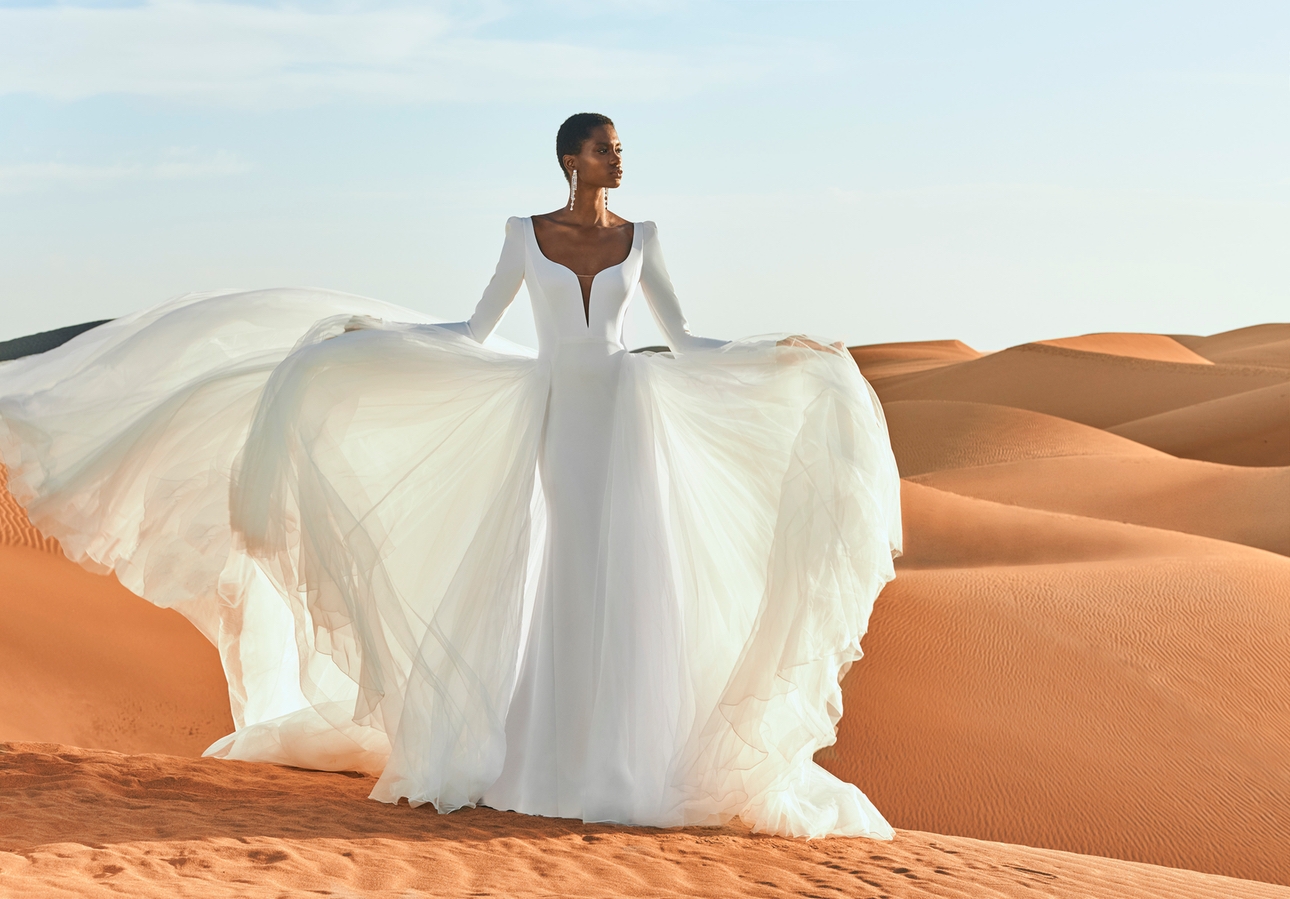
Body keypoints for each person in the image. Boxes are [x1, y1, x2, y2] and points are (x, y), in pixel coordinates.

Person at [0, 113, 902, 839]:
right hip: (553, 413)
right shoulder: (522, 233)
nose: (620, 159)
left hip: (629, 419)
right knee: (561, 574)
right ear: (570, 160)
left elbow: (690, 340)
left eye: (623, 148)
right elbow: (473, 332)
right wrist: (375, 343)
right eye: (607, 148)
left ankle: (618, 764)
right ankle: (545, 761)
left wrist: (780, 353)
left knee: (629, 576)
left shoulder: (646, 237)